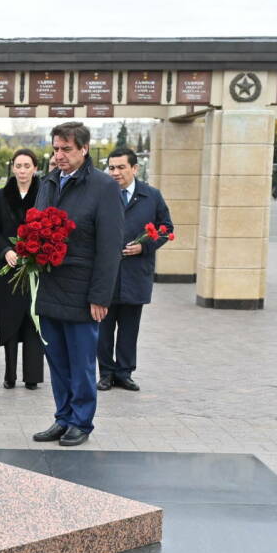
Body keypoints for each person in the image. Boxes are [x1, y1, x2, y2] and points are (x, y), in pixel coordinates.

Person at [31, 122, 123, 447]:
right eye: (56, 148)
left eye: (66, 149)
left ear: (84, 149)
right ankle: (63, 417)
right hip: (51, 284)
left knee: (82, 361)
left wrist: (101, 295)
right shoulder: (49, 181)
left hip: (83, 290)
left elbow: (110, 247)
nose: (59, 155)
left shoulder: (103, 187)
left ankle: (81, 421)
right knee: (57, 360)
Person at [99, 147, 172, 393]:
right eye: (111, 168)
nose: (115, 173)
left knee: (130, 327)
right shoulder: (101, 194)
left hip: (134, 274)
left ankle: (124, 373)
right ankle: (106, 373)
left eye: (121, 167)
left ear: (134, 168)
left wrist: (144, 247)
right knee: (104, 327)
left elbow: (165, 228)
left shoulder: (151, 196)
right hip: (106, 275)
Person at [0, 148, 45, 390]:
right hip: (7, 268)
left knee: (34, 319)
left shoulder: (44, 193)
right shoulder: (1, 196)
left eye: (27, 166)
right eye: (18, 166)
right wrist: (5, 251)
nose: (22, 170)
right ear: (13, 168)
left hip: (36, 268)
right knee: (10, 318)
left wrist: (37, 252)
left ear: (35, 168)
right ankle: (9, 374)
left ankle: (32, 376)